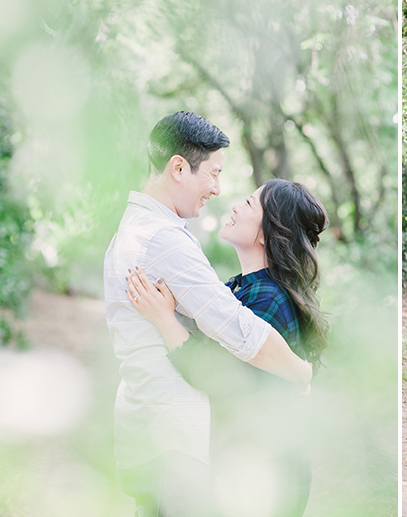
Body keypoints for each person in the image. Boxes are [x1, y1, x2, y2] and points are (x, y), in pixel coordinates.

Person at [104, 112, 312, 517]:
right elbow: (239, 332)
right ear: (178, 168)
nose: (218, 189)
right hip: (171, 443)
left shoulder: (135, 229)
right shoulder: (163, 239)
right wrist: (302, 372)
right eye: (213, 173)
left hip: (151, 432)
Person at [126, 179, 330, 516]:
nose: (235, 206)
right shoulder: (239, 289)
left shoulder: (270, 298)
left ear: (266, 233)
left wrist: (165, 321)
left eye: (249, 204)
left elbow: (220, 378)